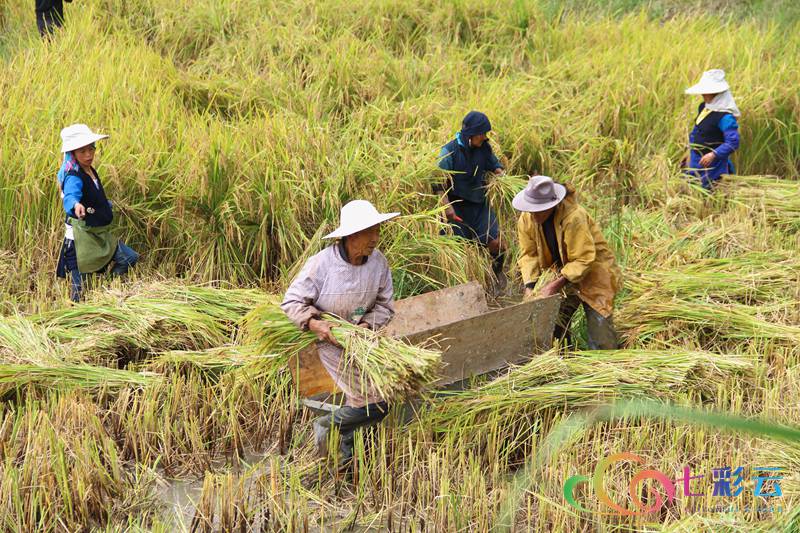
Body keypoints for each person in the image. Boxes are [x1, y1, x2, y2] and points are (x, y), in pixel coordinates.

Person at [281, 200, 399, 463]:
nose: (375, 238)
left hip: (362, 340)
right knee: (375, 403)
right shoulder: (322, 264)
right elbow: (292, 302)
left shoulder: (378, 263)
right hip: (331, 341)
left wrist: (367, 325)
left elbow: (385, 305)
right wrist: (316, 324)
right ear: (351, 235)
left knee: (371, 399)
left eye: (377, 230)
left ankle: (350, 457)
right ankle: (326, 425)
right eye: (370, 232)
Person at [513, 175, 621, 350]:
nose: (533, 215)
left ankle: (605, 362)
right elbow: (529, 255)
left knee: (601, 335)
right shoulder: (527, 219)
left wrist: (553, 286)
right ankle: (563, 358)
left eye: (538, 210)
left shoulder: (574, 217)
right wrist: (530, 286)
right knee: (553, 325)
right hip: (559, 274)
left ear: (552, 205)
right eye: (531, 209)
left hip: (593, 273)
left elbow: (583, 259)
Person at [56, 124, 139, 302]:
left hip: (98, 234)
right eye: (82, 151)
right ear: (73, 153)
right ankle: (78, 315)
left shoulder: (89, 170)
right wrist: (76, 205)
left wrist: (105, 205)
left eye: (91, 149)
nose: (88, 155)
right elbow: (70, 196)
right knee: (79, 293)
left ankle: (105, 290)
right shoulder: (73, 176)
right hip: (81, 240)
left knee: (129, 257)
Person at [435, 111, 507, 289]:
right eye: (482, 133)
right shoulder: (449, 152)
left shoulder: (484, 148)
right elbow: (438, 184)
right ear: (471, 134)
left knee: (497, 243)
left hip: (479, 205)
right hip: (456, 207)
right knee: (459, 250)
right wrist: (447, 208)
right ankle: (467, 286)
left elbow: (495, 166)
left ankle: (497, 273)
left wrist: (503, 178)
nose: (485, 137)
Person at [683, 69, 741, 190]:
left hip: (712, 164)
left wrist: (714, 154)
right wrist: (690, 149)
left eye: (707, 92)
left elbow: (733, 142)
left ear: (717, 93)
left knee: (710, 189)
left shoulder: (725, 117)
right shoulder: (704, 107)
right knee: (693, 187)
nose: (703, 94)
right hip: (696, 159)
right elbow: (698, 129)